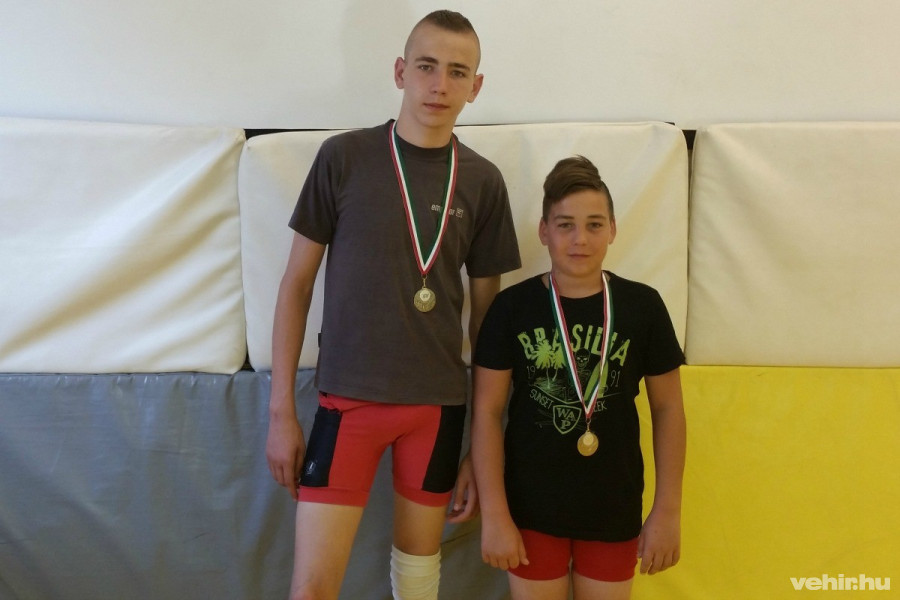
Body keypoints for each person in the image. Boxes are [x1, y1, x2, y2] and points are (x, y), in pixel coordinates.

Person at [265, 10, 521, 600]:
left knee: (417, 583)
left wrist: (484, 450)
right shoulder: (343, 157)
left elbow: (488, 326)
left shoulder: (483, 181)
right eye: (426, 67)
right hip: (346, 402)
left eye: (457, 72)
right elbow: (295, 286)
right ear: (401, 72)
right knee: (311, 589)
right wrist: (281, 413)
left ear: (476, 86)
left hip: (436, 411)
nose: (440, 85)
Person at [471, 155, 686, 600]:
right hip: (529, 509)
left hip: (614, 505)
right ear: (544, 231)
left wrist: (667, 510)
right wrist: (494, 514)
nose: (580, 239)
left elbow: (668, 409)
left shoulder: (643, 306)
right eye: (565, 225)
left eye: (593, 225)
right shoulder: (512, 308)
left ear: (612, 229)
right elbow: (487, 412)